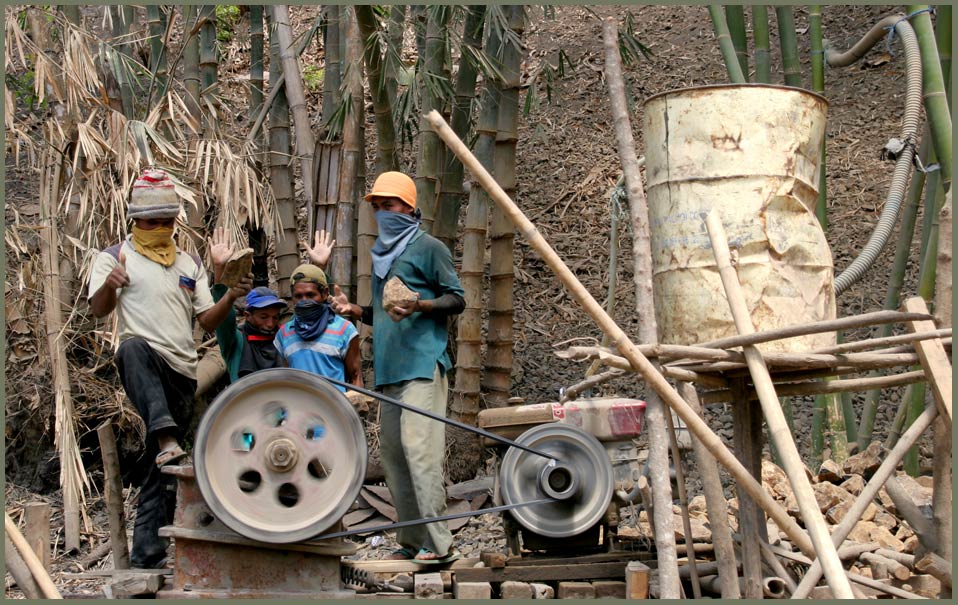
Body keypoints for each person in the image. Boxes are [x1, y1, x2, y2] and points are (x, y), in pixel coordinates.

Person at [87, 167, 250, 569]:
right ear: (134, 221)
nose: (159, 228)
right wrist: (112, 283)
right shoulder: (113, 257)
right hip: (144, 361)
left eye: (166, 221)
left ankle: (147, 555)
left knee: (162, 471)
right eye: (151, 222)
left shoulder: (188, 262)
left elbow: (206, 321)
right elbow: (97, 309)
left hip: (181, 370)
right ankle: (164, 438)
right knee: (132, 348)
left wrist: (229, 295)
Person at [330, 171, 465, 563]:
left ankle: (440, 546)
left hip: (423, 364)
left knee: (420, 452)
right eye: (377, 208)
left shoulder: (429, 248)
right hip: (389, 370)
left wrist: (420, 305)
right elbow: (388, 313)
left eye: (388, 206)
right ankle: (412, 542)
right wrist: (354, 310)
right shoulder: (382, 255)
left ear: (408, 207)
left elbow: (457, 299)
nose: (382, 214)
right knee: (394, 455)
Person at [208, 227, 287, 382]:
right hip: (244, 404)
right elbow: (224, 318)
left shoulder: (284, 340)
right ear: (247, 315)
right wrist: (219, 268)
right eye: (263, 317)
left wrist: (319, 267)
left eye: (275, 317)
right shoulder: (236, 342)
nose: (270, 323)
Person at [273, 262, 363, 391]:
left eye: (310, 295)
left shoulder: (344, 330)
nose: (304, 301)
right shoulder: (284, 333)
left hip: (333, 409)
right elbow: (287, 379)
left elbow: (356, 378)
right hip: (299, 409)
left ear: (325, 293)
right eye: (298, 296)